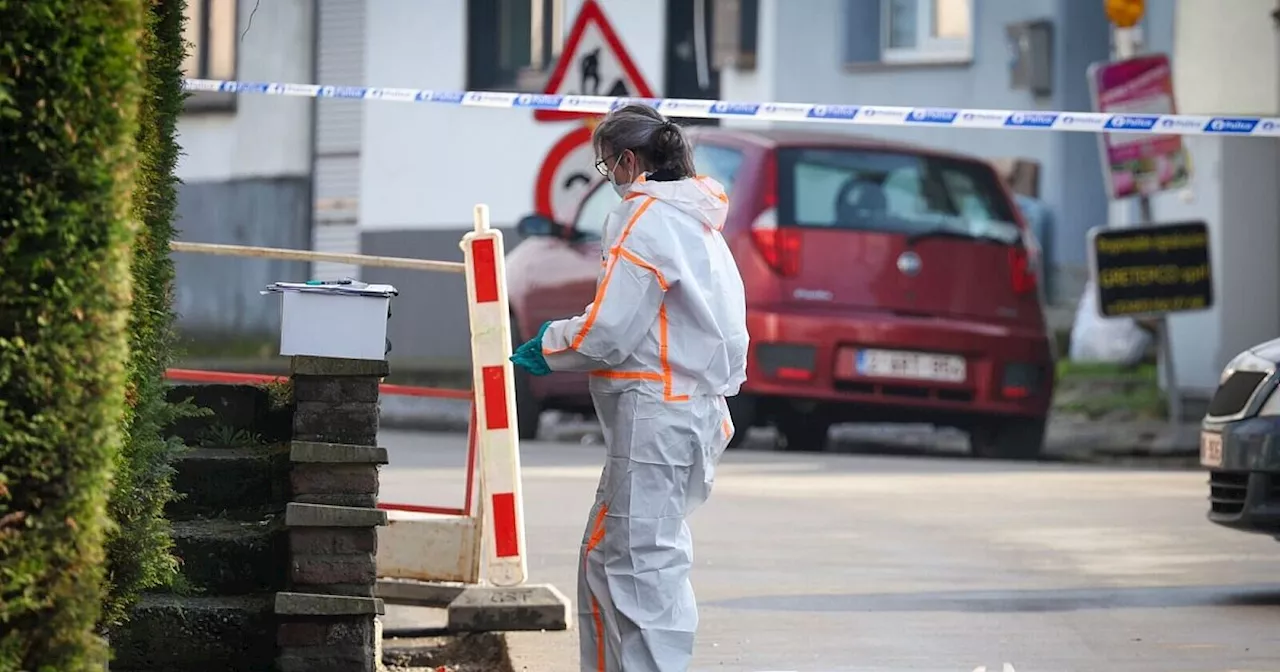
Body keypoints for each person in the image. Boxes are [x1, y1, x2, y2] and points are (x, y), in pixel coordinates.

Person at [510, 104, 749, 672]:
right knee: (614, 561)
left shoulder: (645, 217)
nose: (607, 178)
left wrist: (549, 344)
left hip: (656, 419)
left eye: (605, 165)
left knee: (640, 574)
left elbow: (610, 332)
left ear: (627, 159)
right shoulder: (699, 223)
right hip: (686, 414)